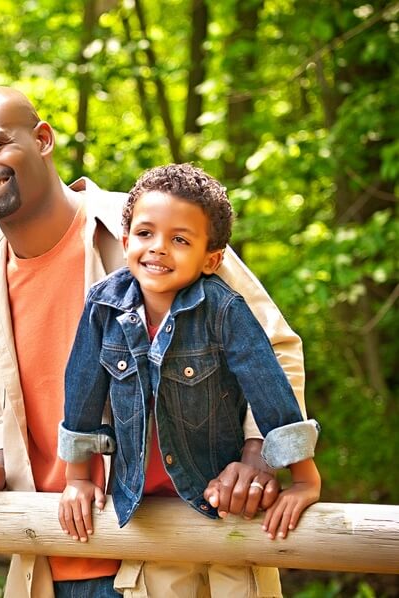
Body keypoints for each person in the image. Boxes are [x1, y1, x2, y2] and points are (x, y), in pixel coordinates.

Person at [0, 87, 309, 598]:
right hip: (52, 556)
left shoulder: (150, 228)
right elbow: (14, 411)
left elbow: (273, 346)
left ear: (43, 139)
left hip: (171, 555)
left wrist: (256, 457)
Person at [58, 163, 321, 597]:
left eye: (180, 239)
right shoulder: (103, 306)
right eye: (145, 234)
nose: (158, 248)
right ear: (126, 242)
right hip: (149, 509)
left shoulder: (224, 309)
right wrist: (78, 478)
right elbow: (82, 391)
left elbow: (268, 386)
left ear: (211, 259)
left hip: (226, 503)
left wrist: (304, 479)